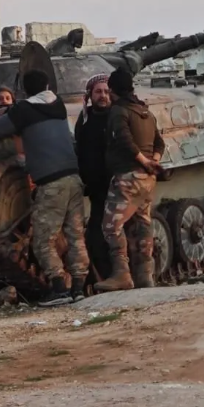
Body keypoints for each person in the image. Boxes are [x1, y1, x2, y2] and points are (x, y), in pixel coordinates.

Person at [0, 70, 89, 307]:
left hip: (50, 182)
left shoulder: (23, 110)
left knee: (43, 240)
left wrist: (5, 112)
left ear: (24, 90)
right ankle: (78, 287)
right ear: (46, 85)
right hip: (73, 177)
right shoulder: (58, 105)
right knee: (75, 234)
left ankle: (59, 287)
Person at [98, 67, 165, 291]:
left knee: (111, 226)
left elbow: (125, 141)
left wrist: (143, 161)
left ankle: (122, 274)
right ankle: (146, 276)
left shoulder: (119, 111)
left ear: (113, 90)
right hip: (147, 178)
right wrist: (152, 161)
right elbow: (160, 143)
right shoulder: (144, 111)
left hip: (128, 175)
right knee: (142, 223)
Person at [73, 74, 114, 282]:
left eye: (106, 91)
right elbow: (79, 148)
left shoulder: (117, 116)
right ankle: (105, 275)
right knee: (97, 233)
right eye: (98, 91)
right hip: (97, 187)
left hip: (118, 186)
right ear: (90, 95)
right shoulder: (85, 118)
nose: (103, 96)